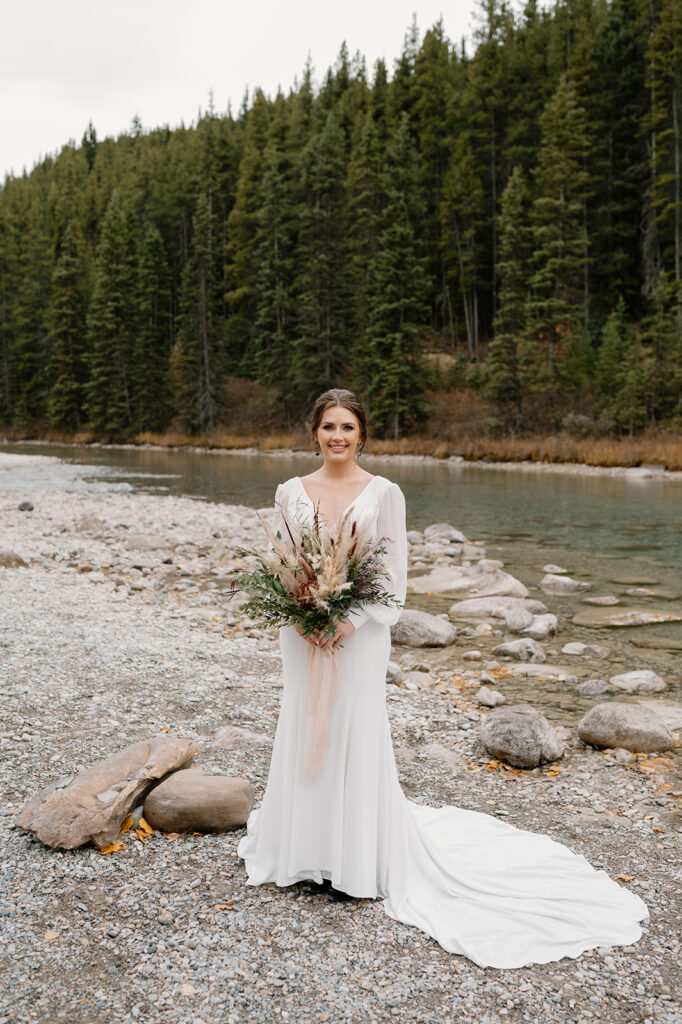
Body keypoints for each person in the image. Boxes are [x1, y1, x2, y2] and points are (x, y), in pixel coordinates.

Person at [238, 388, 650, 969]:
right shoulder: (289, 492)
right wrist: (304, 617)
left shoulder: (385, 493)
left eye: (347, 427)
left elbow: (392, 577)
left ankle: (353, 862)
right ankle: (303, 853)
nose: (337, 436)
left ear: (363, 435)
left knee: (356, 730)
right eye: (328, 426)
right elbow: (283, 559)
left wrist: (347, 623)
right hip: (303, 633)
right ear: (314, 432)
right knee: (304, 725)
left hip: (358, 636)